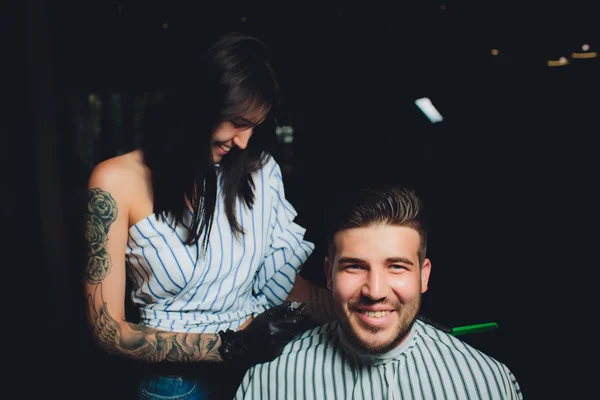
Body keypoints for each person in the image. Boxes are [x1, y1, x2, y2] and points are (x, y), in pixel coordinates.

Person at [83, 32, 334, 400]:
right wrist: (231, 347)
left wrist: (354, 305)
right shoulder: (116, 181)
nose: (243, 140)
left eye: (253, 126)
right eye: (236, 121)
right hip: (177, 382)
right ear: (197, 104)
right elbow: (107, 331)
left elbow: (279, 283)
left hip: (260, 371)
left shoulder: (260, 171)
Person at [234, 184, 523, 400]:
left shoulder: (487, 384)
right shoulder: (269, 381)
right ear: (328, 276)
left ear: (423, 277)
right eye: (355, 267)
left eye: (396, 267)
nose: (375, 291)